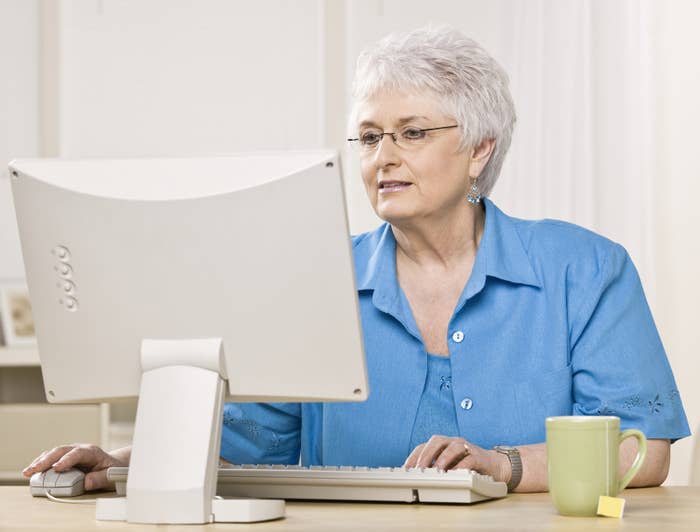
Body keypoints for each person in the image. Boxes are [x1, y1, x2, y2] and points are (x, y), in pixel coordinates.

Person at [23, 26, 689, 493]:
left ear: (480, 149)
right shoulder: (312, 282)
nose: (382, 158)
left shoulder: (586, 270)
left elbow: (643, 451)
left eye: (412, 133)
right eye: (369, 137)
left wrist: (503, 465)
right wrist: (116, 464)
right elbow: (244, 455)